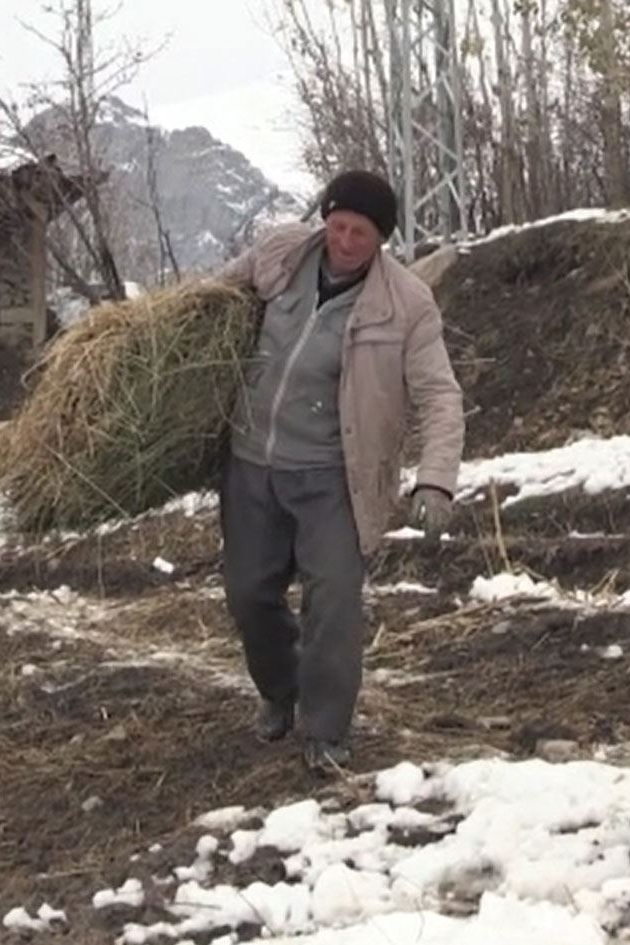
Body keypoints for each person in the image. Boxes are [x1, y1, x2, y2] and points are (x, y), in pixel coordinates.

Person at [218, 169, 465, 772]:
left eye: (361, 232)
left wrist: (436, 479)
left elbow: (439, 395)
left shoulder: (405, 304)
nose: (345, 241)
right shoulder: (280, 252)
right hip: (253, 462)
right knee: (250, 594)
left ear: (381, 239)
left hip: (334, 474)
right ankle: (281, 690)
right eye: (337, 225)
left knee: (333, 601)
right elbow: (211, 302)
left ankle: (326, 728)